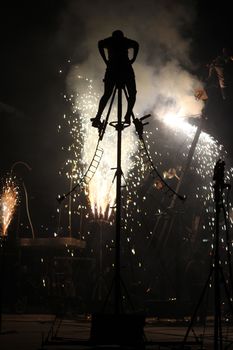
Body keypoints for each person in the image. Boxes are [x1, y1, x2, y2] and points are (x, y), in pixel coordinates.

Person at [91, 30, 139, 128]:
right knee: (132, 93)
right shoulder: (124, 41)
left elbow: (100, 43)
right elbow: (136, 44)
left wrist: (105, 60)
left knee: (107, 94)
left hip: (113, 70)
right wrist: (133, 59)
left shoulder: (110, 41)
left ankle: (98, 117)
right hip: (125, 70)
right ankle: (128, 115)